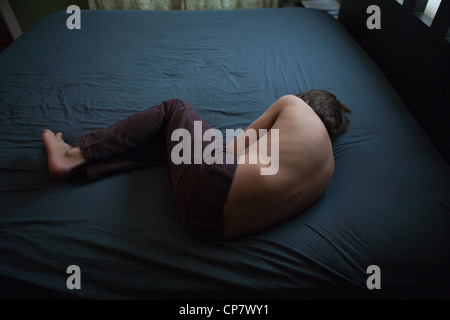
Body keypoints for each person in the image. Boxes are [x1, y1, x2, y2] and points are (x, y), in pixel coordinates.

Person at [42, 90, 351, 240]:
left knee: (174, 109)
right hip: (206, 226)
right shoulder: (328, 170)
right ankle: (86, 166)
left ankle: (71, 156)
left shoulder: (294, 105)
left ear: (308, 100)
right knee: (173, 142)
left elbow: (233, 149)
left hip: (213, 182)